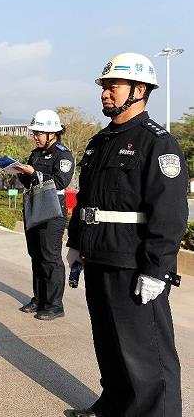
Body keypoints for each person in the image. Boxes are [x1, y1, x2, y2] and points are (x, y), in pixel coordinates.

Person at [66, 53, 188, 417]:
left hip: (133, 262)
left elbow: (169, 212)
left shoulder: (157, 142)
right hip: (98, 255)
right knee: (109, 343)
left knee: (147, 353)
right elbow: (86, 198)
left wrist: (157, 269)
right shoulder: (99, 141)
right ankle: (115, 404)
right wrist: (76, 243)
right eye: (104, 87)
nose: (105, 93)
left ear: (140, 89)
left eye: (113, 86)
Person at [15, 109, 74, 320]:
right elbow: (30, 181)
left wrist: (35, 173)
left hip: (52, 211)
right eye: (34, 133)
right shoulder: (35, 154)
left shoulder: (63, 154)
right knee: (36, 256)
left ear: (52, 133)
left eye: (39, 133)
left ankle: (54, 304)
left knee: (50, 258)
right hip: (34, 207)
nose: (35, 137)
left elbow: (60, 182)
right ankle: (39, 298)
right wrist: (20, 172)